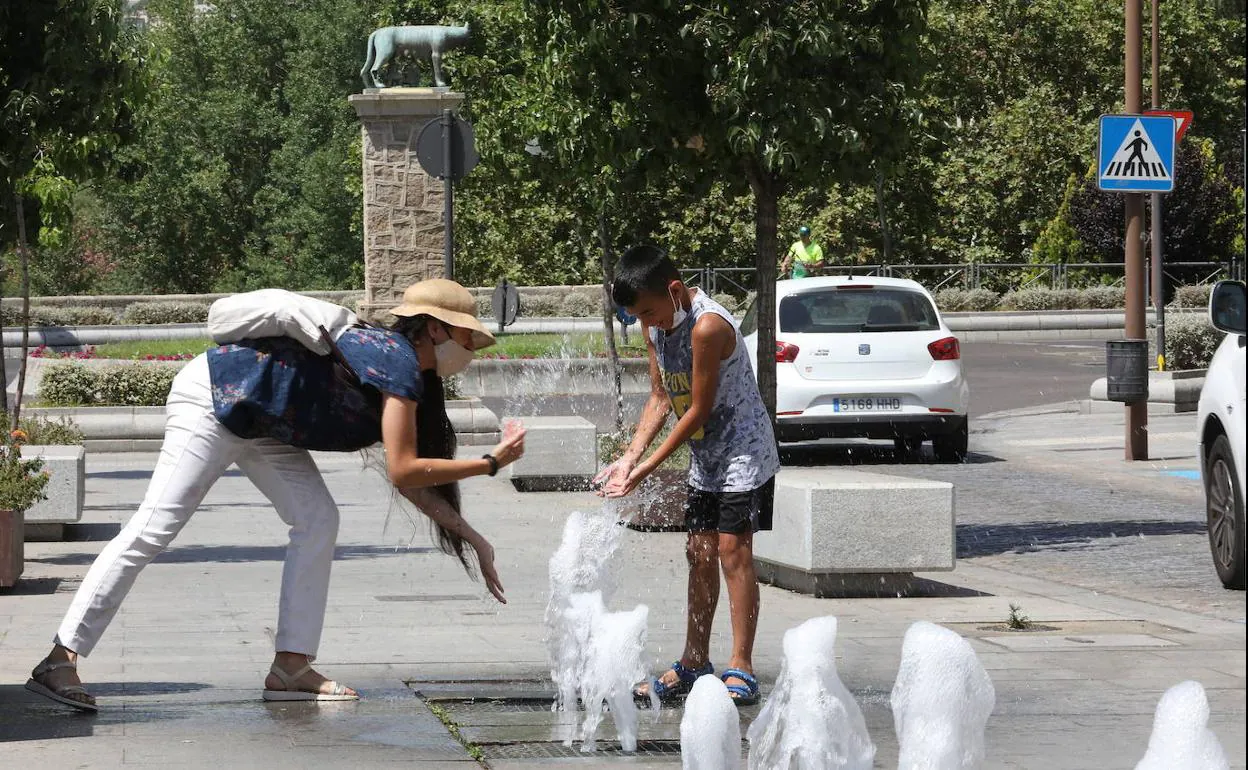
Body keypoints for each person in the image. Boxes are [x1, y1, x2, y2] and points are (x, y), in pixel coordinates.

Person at [25, 279, 526, 711]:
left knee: (318, 518)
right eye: (467, 336)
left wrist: (473, 537)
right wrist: (490, 464)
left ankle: (291, 667)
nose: (470, 350)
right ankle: (59, 659)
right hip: (216, 397)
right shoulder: (395, 361)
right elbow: (404, 470)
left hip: (263, 421)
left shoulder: (402, 373)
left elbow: (413, 476)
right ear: (435, 329)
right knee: (155, 526)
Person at [598, 245, 780, 706]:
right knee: (698, 552)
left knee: (731, 549)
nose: (648, 321)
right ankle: (694, 661)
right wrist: (628, 456)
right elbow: (661, 397)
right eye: (638, 314)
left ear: (674, 290)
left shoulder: (707, 327)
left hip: (744, 451)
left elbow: (696, 408)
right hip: (706, 454)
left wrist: (642, 471)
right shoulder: (652, 324)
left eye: (649, 310)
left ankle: (741, 666)